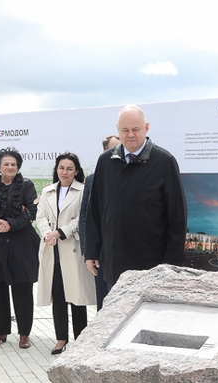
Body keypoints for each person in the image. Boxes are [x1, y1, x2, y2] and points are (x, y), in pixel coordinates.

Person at [84, 105, 187, 287]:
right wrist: (92, 250)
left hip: (151, 265)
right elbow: (94, 210)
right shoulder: (105, 162)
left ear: (146, 128)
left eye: (135, 129)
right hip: (114, 263)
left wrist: (170, 261)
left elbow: (177, 216)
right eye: (125, 130)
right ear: (118, 129)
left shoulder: (164, 162)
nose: (130, 134)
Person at [0, 147, 39, 349]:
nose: (10, 167)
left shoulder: (27, 185)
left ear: (18, 167)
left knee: (23, 289)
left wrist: (10, 224)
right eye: (6, 164)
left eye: (14, 164)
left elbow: (32, 211)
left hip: (22, 245)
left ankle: (24, 334)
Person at [36, 152, 96, 355]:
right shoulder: (48, 191)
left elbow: (82, 218)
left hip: (72, 247)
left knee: (77, 297)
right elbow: (40, 216)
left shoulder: (83, 190)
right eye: (61, 168)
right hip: (51, 248)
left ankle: (80, 340)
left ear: (76, 171)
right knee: (58, 296)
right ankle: (61, 338)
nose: (65, 172)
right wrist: (48, 233)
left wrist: (60, 232)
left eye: (70, 168)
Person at [79, 135, 119, 310]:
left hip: (128, 251)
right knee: (104, 300)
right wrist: (88, 250)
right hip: (101, 252)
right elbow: (85, 216)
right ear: (104, 152)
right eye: (113, 149)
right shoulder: (92, 179)